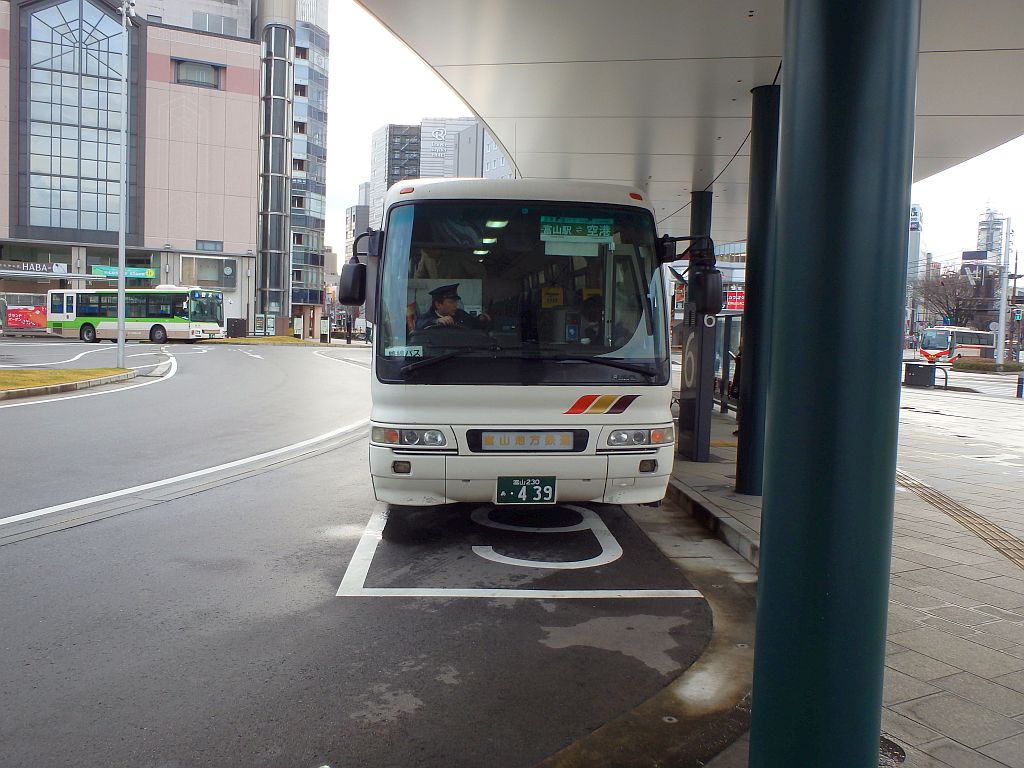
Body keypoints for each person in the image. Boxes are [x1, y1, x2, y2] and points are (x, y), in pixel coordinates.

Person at [415, 284, 489, 330]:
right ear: (438, 304)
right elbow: (419, 324)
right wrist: (436, 321)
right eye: (451, 302)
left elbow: (476, 325)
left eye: (456, 302)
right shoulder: (426, 318)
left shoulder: (461, 315)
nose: (455, 305)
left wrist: (482, 318)